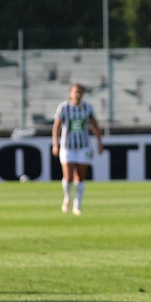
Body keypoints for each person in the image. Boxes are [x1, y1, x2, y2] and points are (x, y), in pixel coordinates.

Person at [52, 83, 104, 215]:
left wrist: (99, 142)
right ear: (70, 93)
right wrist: (55, 144)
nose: (78, 94)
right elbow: (56, 126)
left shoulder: (88, 108)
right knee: (68, 177)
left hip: (83, 146)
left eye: (80, 92)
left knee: (80, 177)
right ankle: (68, 197)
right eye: (75, 92)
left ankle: (77, 205)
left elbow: (95, 126)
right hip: (67, 146)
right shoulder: (64, 107)